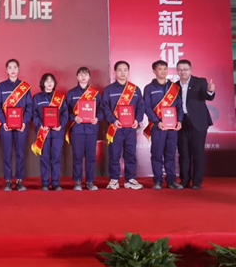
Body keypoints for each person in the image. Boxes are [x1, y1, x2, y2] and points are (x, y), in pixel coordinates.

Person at [102, 61, 144, 190]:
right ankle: (114, 179)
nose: (122, 72)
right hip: (116, 128)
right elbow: (105, 108)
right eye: (120, 70)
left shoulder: (135, 89)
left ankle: (130, 179)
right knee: (114, 154)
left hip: (131, 128)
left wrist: (137, 120)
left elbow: (141, 106)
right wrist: (113, 120)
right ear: (115, 72)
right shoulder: (109, 90)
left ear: (128, 72)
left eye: (125, 70)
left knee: (130, 154)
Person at [144, 60, 184, 190]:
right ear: (154, 71)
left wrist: (180, 121)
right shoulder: (149, 88)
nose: (163, 71)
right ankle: (157, 180)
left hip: (172, 127)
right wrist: (157, 122)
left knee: (171, 154)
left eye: (165, 69)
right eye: (160, 69)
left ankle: (171, 180)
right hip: (158, 127)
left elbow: (179, 107)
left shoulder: (175, 88)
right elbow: (147, 107)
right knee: (157, 154)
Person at [176, 59, 215, 190]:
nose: (182, 72)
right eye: (180, 69)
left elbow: (208, 96)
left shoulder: (200, 82)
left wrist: (210, 91)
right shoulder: (174, 86)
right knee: (183, 153)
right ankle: (184, 180)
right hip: (181, 123)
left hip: (198, 122)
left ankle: (197, 181)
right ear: (177, 71)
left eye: (185, 69)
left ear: (191, 70)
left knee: (198, 153)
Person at [0, 59, 33, 191]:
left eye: (15, 67)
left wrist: (24, 121)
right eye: (10, 67)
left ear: (18, 69)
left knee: (20, 153)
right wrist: (3, 121)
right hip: (6, 126)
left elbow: (29, 107)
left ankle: (20, 180)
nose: (12, 70)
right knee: (7, 153)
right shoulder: (1, 87)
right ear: (6, 70)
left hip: (21, 126)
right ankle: (8, 180)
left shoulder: (24, 87)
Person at [66, 67, 103, 191]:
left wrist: (97, 118)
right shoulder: (71, 93)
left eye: (85, 74)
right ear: (77, 77)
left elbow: (101, 110)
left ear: (89, 77)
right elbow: (66, 111)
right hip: (77, 129)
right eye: (81, 74)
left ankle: (89, 181)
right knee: (77, 156)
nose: (83, 76)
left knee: (91, 156)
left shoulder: (95, 94)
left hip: (91, 129)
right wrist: (74, 117)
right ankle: (77, 181)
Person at [32, 73, 68, 191]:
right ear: (43, 83)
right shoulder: (37, 98)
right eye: (47, 81)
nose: (49, 83)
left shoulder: (60, 98)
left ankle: (56, 183)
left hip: (57, 133)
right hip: (43, 133)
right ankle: (45, 183)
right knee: (44, 158)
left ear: (54, 83)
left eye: (51, 81)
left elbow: (65, 114)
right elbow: (34, 115)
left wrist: (60, 125)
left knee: (56, 157)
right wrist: (41, 124)